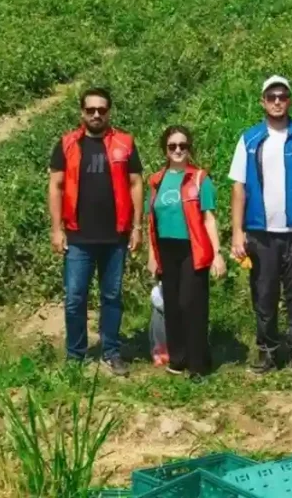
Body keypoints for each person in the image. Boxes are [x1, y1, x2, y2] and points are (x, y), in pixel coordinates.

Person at [229, 76, 292, 375]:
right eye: (271, 96)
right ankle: (268, 351)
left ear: (289, 101)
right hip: (261, 233)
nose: (277, 101)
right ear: (263, 101)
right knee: (264, 293)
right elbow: (238, 187)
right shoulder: (249, 139)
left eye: (282, 96)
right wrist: (237, 231)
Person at [48, 88, 142, 376]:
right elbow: (56, 186)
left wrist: (137, 227)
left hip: (115, 236)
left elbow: (136, 184)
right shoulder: (67, 144)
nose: (96, 114)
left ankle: (111, 352)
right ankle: (75, 356)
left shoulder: (125, 143)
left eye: (102, 110)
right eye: (91, 110)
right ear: (82, 112)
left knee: (112, 297)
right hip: (78, 237)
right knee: (75, 298)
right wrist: (56, 229)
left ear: (109, 112)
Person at [145, 126, 227, 380]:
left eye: (183, 145)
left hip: (193, 248)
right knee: (172, 305)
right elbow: (151, 220)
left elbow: (209, 219)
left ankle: (198, 363)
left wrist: (217, 254)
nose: (178, 150)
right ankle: (177, 359)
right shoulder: (156, 181)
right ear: (165, 150)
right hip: (166, 249)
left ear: (189, 148)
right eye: (173, 146)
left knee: (192, 305)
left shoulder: (200, 179)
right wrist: (152, 256)